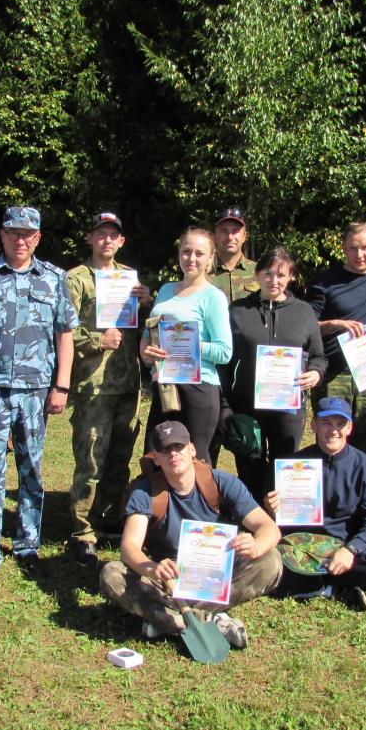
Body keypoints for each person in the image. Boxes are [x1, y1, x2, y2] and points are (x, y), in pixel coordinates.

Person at [0, 206, 77, 592]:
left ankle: (27, 545)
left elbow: (65, 335)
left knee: (31, 470)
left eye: (28, 235)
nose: (20, 240)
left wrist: (61, 386)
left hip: (36, 391)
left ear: (37, 238)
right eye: (13, 233)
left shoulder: (53, 280)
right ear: (2, 235)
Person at [99, 420, 283, 648]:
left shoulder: (221, 482)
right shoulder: (145, 491)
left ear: (192, 449)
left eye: (179, 447)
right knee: (112, 573)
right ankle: (210, 621)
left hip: (217, 573)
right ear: (155, 457)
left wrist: (256, 545)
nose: (173, 454)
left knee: (270, 560)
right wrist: (152, 568)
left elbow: (268, 528)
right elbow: (129, 547)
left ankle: (168, 620)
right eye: (165, 449)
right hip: (169, 580)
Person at [66, 212, 152, 564]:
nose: (106, 240)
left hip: (127, 382)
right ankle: (82, 531)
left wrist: (148, 304)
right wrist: (96, 340)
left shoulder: (129, 280)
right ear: (90, 238)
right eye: (99, 234)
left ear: (121, 241)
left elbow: (149, 330)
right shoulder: (76, 279)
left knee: (120, 457)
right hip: (92, 385)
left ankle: (111, 519)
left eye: (112, 235)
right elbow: (62, 329)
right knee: (90, 459)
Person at [263, 398, 366, 609]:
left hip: (343, 547)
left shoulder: (365, 466)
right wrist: (272, 511)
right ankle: (336, 588)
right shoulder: (293, 465)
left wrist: (351, 550)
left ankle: (316, 585)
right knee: (266, 563)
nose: (333, 430)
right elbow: (280, 525)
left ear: (349, 428)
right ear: (314, 425)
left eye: (340, 424)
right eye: (326, 423)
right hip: (301, 550)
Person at [226, 247, 326, 496]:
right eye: (268, 274)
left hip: (288, 407)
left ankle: (282, 521)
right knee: (250, 464)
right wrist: (226, 403)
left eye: (281, 275)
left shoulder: (304, 312)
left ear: (290, 276)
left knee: (285, 465)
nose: (274, 280)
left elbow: (318, 356)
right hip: (248, 406)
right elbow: (225, 361)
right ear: (258, 275)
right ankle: (253, 515)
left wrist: (315, 373)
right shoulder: (238, 311)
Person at [306, 221, 366, 461]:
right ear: (344, 248)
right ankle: (329, 494)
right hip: (334, 374)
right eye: (353, 248)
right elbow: (304, 327)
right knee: (331, 441)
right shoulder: (324, 282)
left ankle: (364, 496)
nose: (360, 254)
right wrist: (335, 324)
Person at [142, 227, 233, 461]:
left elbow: (224, 352)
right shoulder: (165, 290)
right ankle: (158, 500)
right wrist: (146, 351)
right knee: (156, 457)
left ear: (211, 258)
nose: (191, 258)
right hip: (165, 386)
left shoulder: (213, 297)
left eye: (199, 253)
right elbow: (150, 333)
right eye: (186, 251)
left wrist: (188, 344)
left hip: (199, 388)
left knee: (195, 461)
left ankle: (204, 500)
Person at [209, 207, 260, 302]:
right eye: (224, 231)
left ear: (244, 236)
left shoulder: (259, 272)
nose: (230, 237)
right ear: (214, 237)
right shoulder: (203, 273)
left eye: (235, 231)